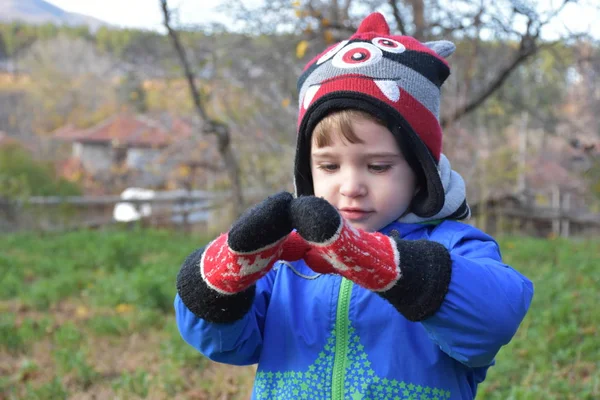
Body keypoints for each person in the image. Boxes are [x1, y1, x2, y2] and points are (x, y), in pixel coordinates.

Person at [174, 12, 533, 400]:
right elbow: (226, 344)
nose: (351, 187)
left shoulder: (455, 246)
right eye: (329, 166)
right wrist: (225, 273)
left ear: (420, 171)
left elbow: (493, 321)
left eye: (378, 166)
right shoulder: (286, 260)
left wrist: (388, 266)